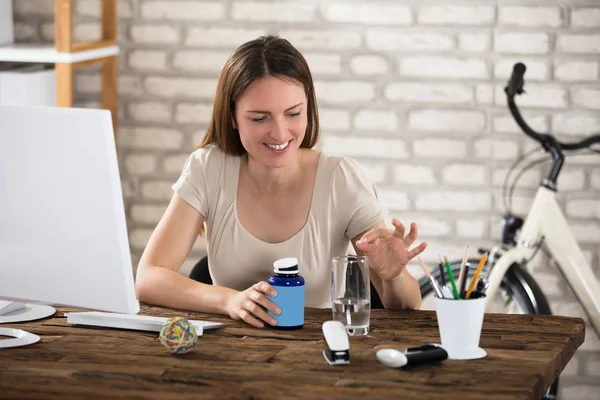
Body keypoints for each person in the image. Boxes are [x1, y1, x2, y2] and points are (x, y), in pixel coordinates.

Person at [135, 35, 428, 328]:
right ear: (233, 116)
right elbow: (149, 277)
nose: (279, 133)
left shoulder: (341, 179)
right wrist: (228, 300)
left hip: (315, 351)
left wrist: (394, 275)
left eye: (293, 114)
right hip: (229, 352)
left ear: (308, 108)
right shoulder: (208, 167)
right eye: (260, 118)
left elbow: (407, 306)